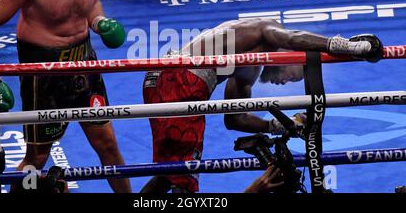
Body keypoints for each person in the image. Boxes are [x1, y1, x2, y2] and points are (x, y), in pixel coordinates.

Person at [141, 18, 383, 193]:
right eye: (294, 74)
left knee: (168, 174)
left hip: (165, 79)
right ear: (290, 52)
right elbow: (293, 37)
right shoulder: (264, 29)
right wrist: (350, 47)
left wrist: (277, 125)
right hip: (180, 80)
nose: (285, 81)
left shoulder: (247, 65)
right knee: (184, 180)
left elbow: (234, 118)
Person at [0, 0, 131, 193]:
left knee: (108, 144)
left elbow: (91, 1)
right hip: (44, 70)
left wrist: (99, 22)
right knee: (37, 157)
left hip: (83, 61)